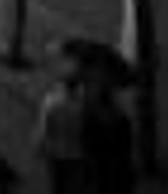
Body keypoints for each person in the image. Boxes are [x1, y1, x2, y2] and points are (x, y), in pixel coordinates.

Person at [34, 65, 89, 194]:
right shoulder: (83, 107)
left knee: (57, 185)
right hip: (75, 155)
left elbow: (44, 127)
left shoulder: (52, 101)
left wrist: (39, 146)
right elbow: (85, 133)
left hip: (55, 152)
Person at [82, 76, 136, 194]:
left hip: (100, 165)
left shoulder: (91, 118)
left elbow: (87, 143)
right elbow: (128, 144)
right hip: (117, 164)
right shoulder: (121, 117)